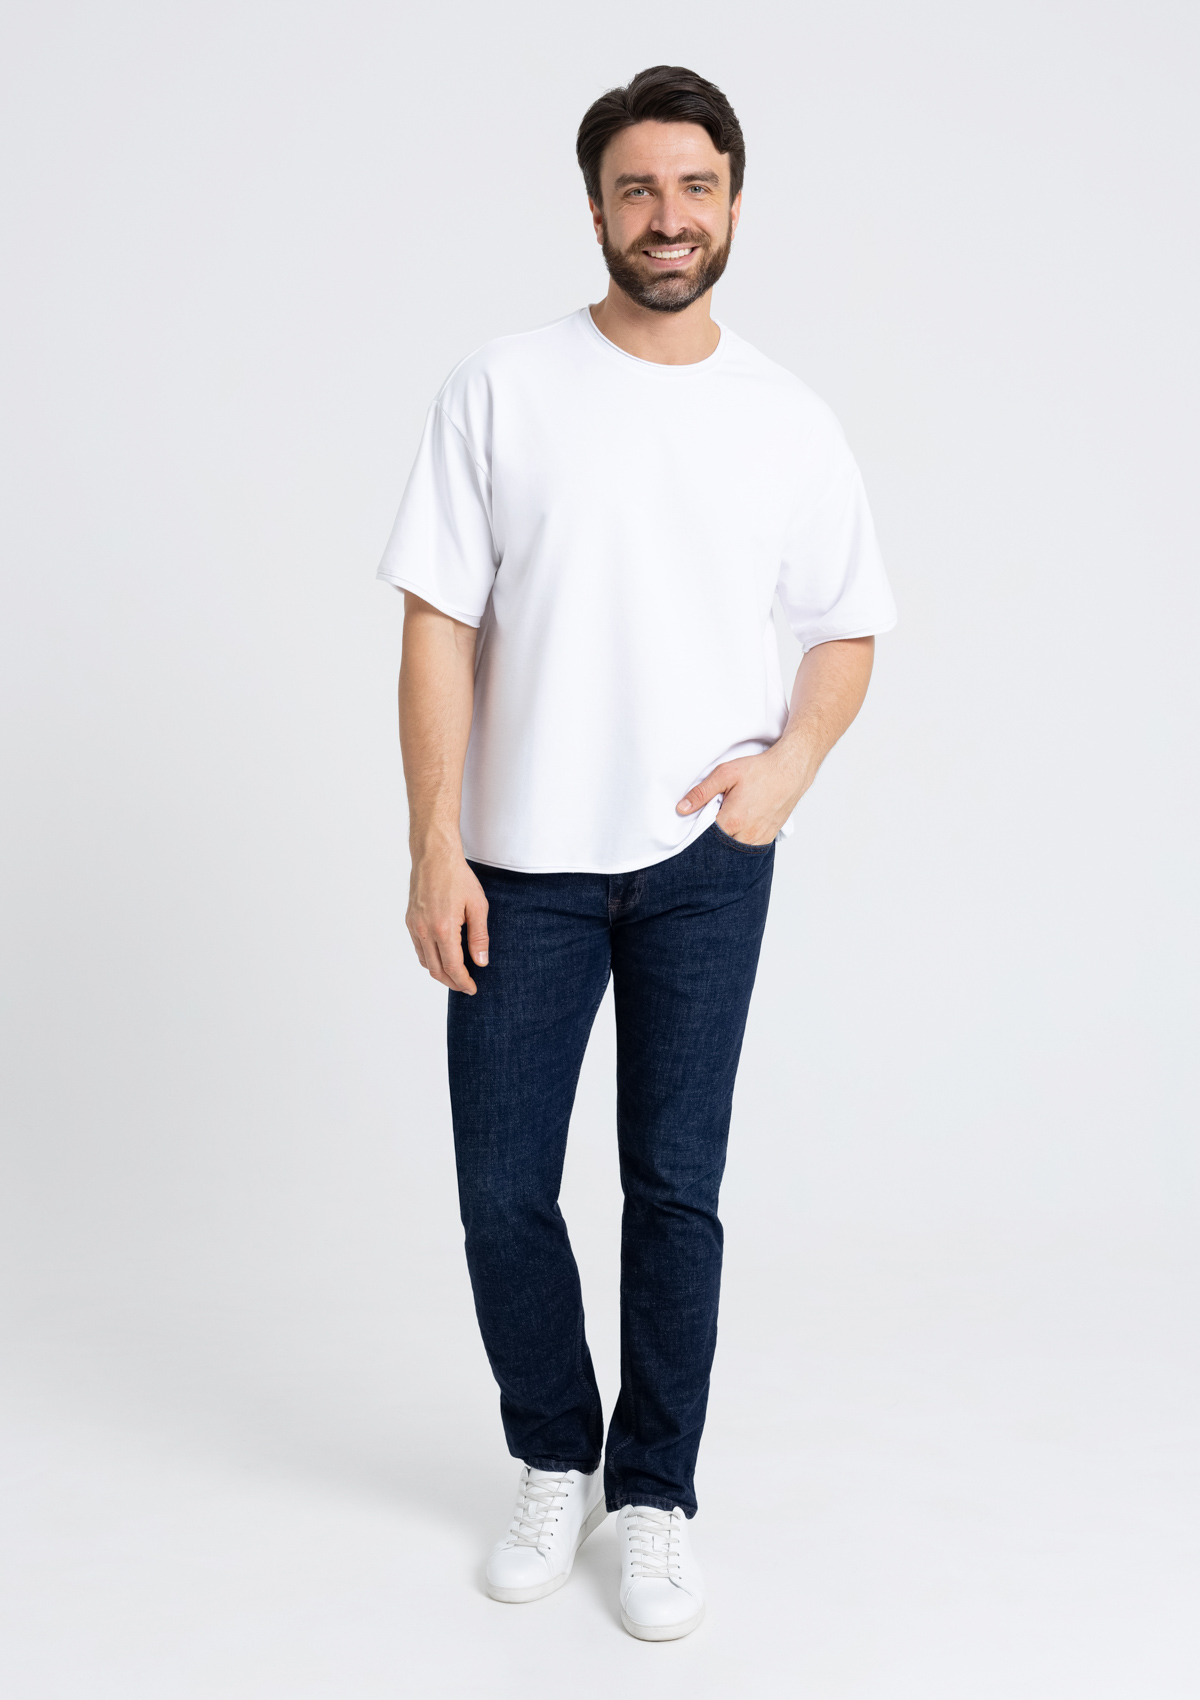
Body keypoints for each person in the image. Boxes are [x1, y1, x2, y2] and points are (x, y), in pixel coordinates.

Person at [378, 64, 896, 1641]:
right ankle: (558, 1455)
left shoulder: (788, 418)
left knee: (676, 1191)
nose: (668, 216)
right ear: (596, 207)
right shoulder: (501, 387)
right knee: (500, 1191)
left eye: (695, 186)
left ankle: (654, 1492)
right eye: (637, 189)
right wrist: (434, 843)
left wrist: (784, 774)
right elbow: (436, 621)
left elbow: (848, 627)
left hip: (700, 869)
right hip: (517, 869)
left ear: (733, 201)